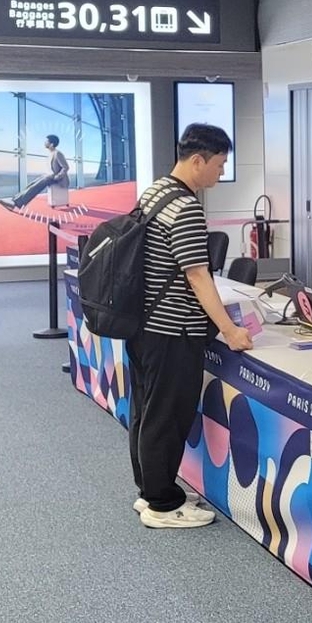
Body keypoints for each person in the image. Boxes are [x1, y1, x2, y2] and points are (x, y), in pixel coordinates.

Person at [129, 123, 253, 529]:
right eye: (218, 164)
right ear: (197, 159)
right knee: (167, 415)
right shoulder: (184, 207)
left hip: (143, 323)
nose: (221, 172)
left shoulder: (154, 193)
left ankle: (149, 491)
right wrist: (230, 331)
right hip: (172, 330)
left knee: (147, 410)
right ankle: (163, 505)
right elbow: (198, 276)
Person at [0, 134, 69, 210]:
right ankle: (14, 200)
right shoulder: (50, 154)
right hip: (50, 176)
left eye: (46, 141)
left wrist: (57, 176)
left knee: (38, 184)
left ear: (51, 144)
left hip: (58, 178)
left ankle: (15, 203)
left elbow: (65, 167)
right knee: (32, 184)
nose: (44, 142)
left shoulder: (57, 153)